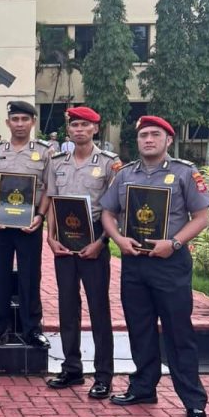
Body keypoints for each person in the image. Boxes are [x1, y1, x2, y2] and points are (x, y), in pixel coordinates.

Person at [101, 116, 209, 417]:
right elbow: (108, 212)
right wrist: (118, 239)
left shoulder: (185, 172)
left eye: (155, 135)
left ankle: (193, 401)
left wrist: (174, 243)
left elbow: (201, 217)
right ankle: (143, 388)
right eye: (143, 135)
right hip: (134, 262)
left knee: (178, 332)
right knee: (140, 328)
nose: (148, 139)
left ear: (168, 140)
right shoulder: (125, 174)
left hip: (170, 263)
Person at [45, 107, 121, 399]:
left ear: (95, 129)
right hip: (64, 240)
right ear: (69, 130)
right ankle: (71, 368)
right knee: (67, 306)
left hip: (94, 238)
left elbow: (114, 209)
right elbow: (53, 201)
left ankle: (103, 376)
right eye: (74, 125)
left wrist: (101, 242)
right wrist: (50, 237)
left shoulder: (110, 163)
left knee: (98, 308)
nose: (79, 129)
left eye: (85, 125)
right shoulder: (57, 162)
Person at [0, 101, 52, 349]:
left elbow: (49, 188)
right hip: (0, 224)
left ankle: (32, 329)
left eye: (25, 119)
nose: (20, 124)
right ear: (8, 123)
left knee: (30, 276)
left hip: (30, 223)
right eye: (15, 119)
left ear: (33, 122)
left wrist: (40, 216)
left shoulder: (44, 152)